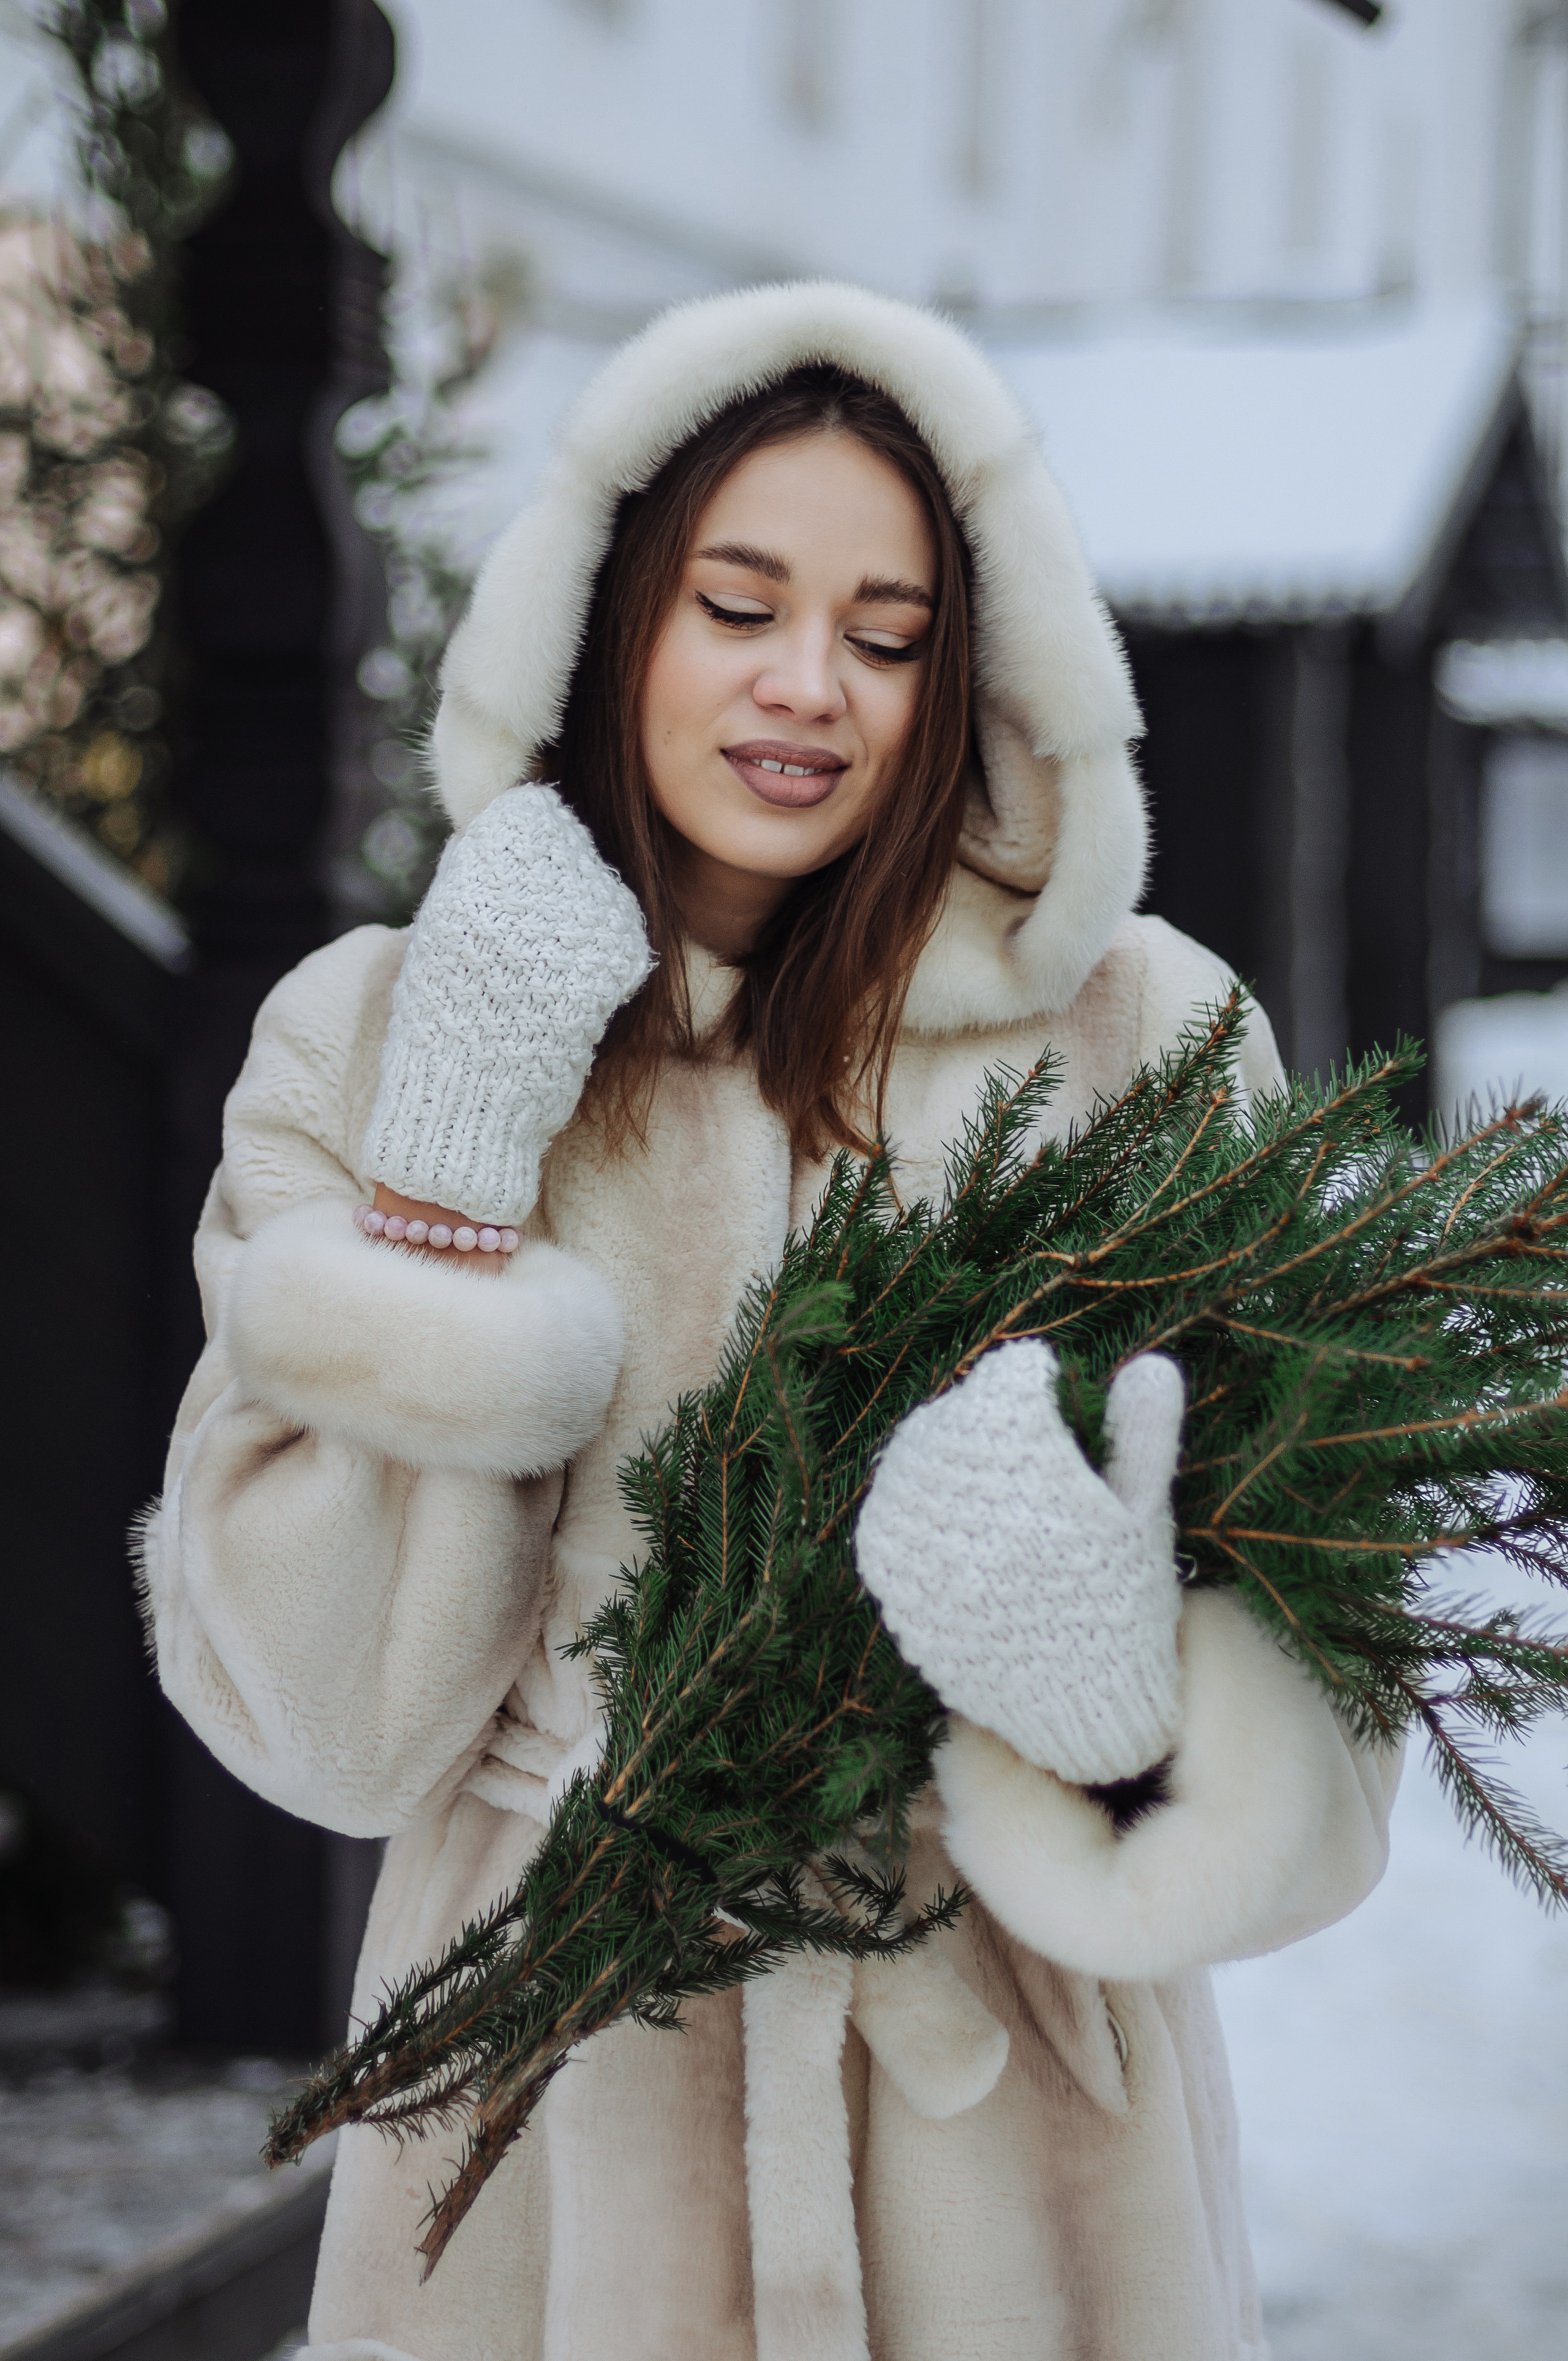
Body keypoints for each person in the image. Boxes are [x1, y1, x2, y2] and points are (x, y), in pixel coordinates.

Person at [140, 283, 1400, 2361]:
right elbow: (333, 1735)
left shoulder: (1141, 1045)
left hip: (1011, 2182)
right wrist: (451, 1180)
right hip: (545, 2170)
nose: (808, 688)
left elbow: (1329, 1772)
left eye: (889, 636)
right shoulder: (373, 1037)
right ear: (605, 611)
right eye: (738, 605)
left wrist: (1118, 1701)